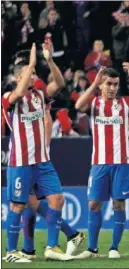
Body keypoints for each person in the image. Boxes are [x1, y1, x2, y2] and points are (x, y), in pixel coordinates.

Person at [2, 42, 72, 263]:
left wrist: (49, 61)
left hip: (42, 160)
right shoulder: (8, 97)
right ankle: (11, 252)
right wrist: (31, 63)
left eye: (33, 73)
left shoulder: (40, 96)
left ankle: (52, 247)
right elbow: (20, 91)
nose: (33, 76)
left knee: (58, 199)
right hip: (20, 160)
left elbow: (60, 83)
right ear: (17, 78)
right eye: (28, 74)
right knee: (18, 205)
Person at [74, 63, 129, 259]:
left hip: (121, 163)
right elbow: (78, 106)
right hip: (99, 163)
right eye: (108, 84)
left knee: (119, 205)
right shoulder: (94, 104)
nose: (112, 88)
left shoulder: (124, 104)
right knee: (93, 205)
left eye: (115, 84)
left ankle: (114, 247)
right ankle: (92, 249)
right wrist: (94, 83)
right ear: (101, 85)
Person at [19, 102, 85, 260]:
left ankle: (46, 247)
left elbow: (47, 122)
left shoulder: (34, 101)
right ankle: (70, 234)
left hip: (34, 160)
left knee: (38, 202)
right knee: (31, 204)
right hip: (23, 160)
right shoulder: (18, 102)